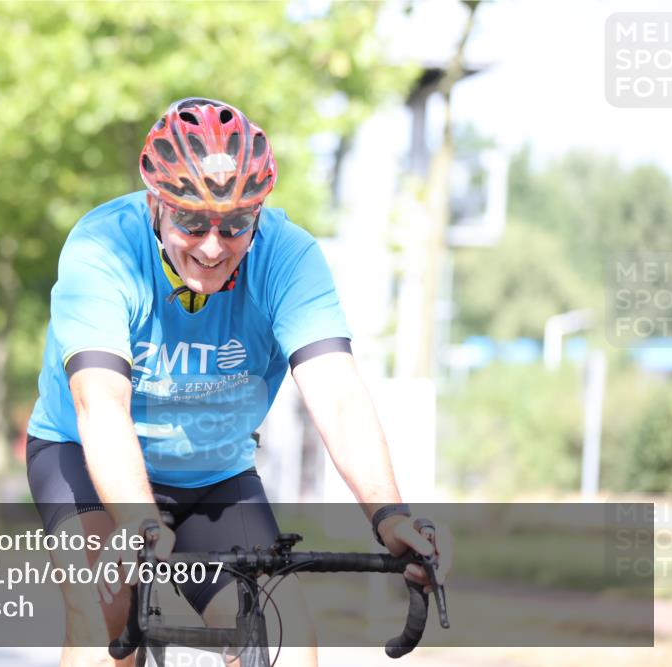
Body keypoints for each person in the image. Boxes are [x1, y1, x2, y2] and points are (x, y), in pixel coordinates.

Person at [26, 97, 450, 667]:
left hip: (213, 472)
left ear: (258, 214)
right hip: (84, 457)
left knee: (285, 644)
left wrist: (389, 514)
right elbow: (99, 402)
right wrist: (136, 521)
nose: (211, 246)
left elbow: (338, 395)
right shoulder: (103, 248)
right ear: (156, 203)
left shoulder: (288, 258)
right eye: (191, 222)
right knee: (105, 622)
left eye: (234, 226)